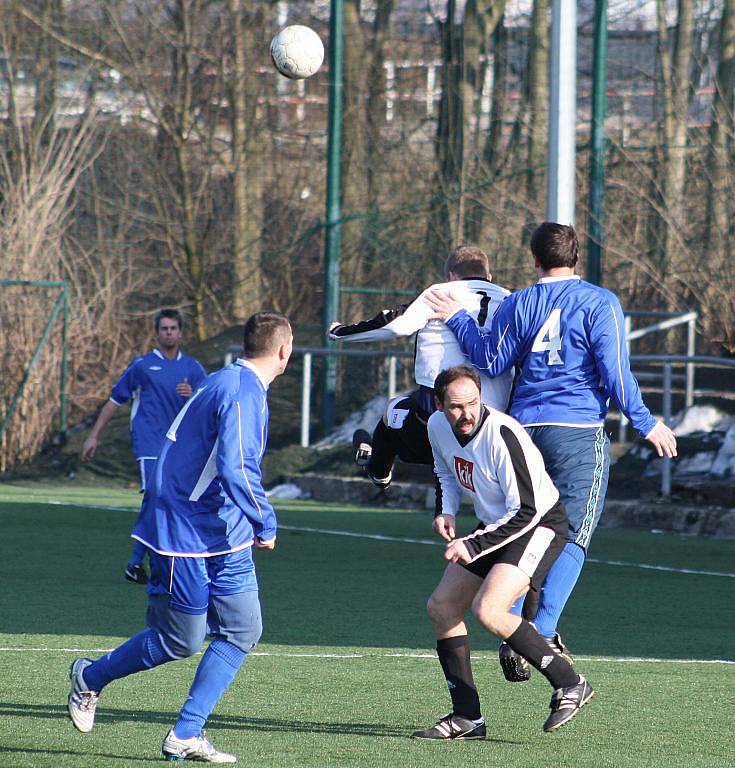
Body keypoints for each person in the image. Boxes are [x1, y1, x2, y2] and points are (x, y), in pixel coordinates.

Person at [424, 222, 677, 682]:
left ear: (534, 260)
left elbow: (490, 360)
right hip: (577, 431)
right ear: (577, 258)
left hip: (524, 429)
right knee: (573, 532)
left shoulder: (520, 302)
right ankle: (539, 629)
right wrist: (646, 422)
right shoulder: (600, 301)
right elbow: (615, 369)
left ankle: (513, 619)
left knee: (527, 522)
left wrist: (458, 318)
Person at [67, 311, 293, 764]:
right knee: (180, 641)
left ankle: (185, 734)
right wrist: (265, 522)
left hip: (222, 530)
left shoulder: (222, 378)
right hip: (186, 531)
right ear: (285, 351)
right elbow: (236, 467)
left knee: (244, 629)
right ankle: (90, 677)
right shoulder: (241, 391)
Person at [413, 365, 593, 740]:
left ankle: (570, 682)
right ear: (439, 403)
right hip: (497, 525)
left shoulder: (502, 434)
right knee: (441, 607)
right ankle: (467, 718)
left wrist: (472, 544)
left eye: (473, 404)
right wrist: (445, 510)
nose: (466, 414)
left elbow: (527, 511)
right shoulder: (436, 426)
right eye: (456, 406)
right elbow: (445, 471)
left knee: (488, 610)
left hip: (539, 525)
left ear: (482, 398)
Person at [328, 244, 512, 501]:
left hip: (439, 419)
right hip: (498, 422)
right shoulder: (511, 298)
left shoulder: (441, 294)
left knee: (395, 410)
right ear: (489, 277)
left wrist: (340, 332)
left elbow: (395, 325)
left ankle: (378, 469)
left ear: (451, 276)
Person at [81, 308, 206, 584]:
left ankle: (146, 563)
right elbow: (115, 400)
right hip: (150, 444)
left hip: (180, 448)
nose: (169, 333)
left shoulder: (193, 369)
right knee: (157, 500)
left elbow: (207, 406)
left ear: (181, 332)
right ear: (157, 332)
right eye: (164, 328)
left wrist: (193, 394)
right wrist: (93, 435)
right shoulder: (142, 366)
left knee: (167, 503)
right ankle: (140, 563)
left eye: (173, 328)